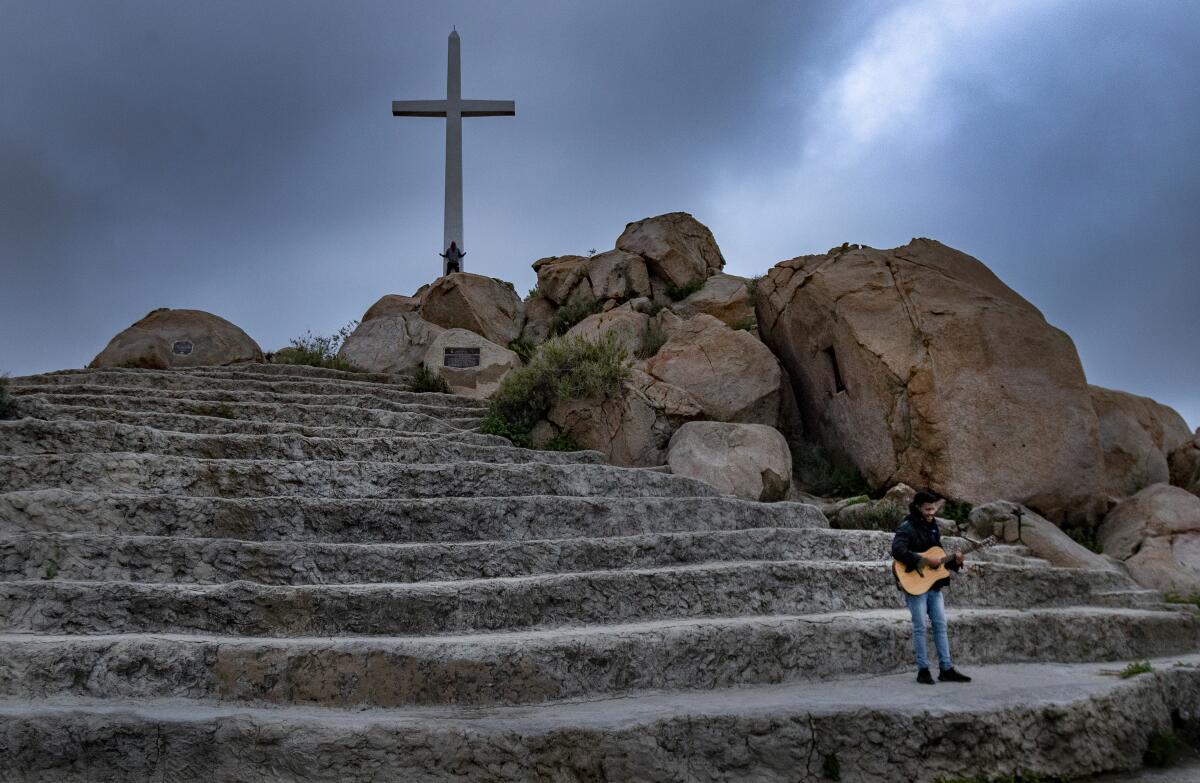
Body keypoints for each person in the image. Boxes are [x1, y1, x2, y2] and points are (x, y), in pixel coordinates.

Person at [891, 490, 973, 685]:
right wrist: (924, 559)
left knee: (940, 626)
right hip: (914, 583)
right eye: (928, 509)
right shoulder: (907, 527)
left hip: (933, 585)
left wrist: (957, 562)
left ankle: (946, 668)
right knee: (920, 627)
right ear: (918, 507)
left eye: (933, 508)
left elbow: (939, 561)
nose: (931, 512)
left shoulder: (933, 527)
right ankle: (923, 670)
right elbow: (897, 550)